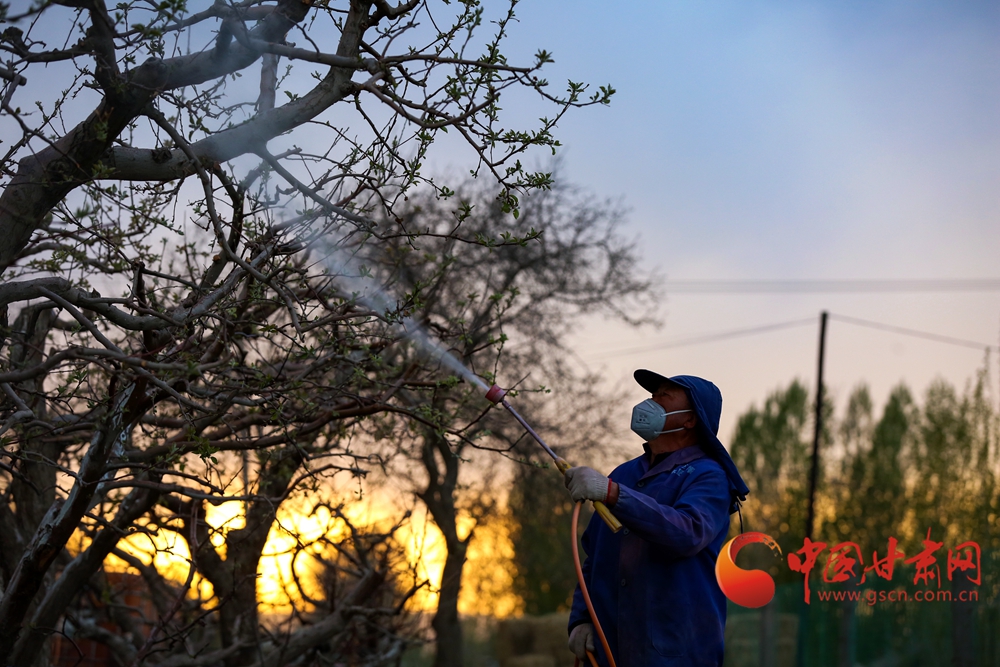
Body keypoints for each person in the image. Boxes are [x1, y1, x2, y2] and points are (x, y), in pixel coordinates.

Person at [563, 370, 749, 667]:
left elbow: (688, 532)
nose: (651, 401)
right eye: (652, 394)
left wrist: (614, 494)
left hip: (676, 651)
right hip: (610, 647)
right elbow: (593, 558)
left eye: (664, 396)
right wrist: (581, 619)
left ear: (690, 419)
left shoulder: (709, 476)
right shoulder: (623, 474)